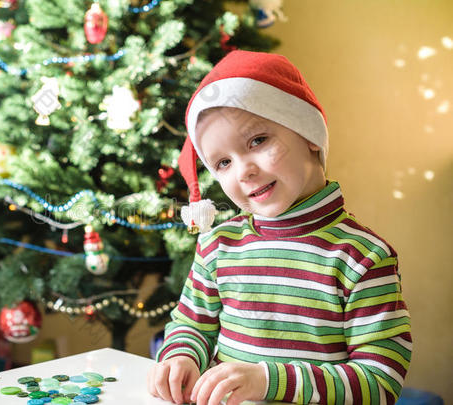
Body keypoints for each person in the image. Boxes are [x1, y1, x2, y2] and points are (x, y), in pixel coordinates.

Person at [147, 51, 412, 405]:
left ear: (309, 134)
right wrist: (181, 356)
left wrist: (269, 380)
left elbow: (379, 383)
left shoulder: (363, 257)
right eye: (223, 163)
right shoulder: (218, 246)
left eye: (257, 141)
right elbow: (191, 324)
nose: (243, 171)